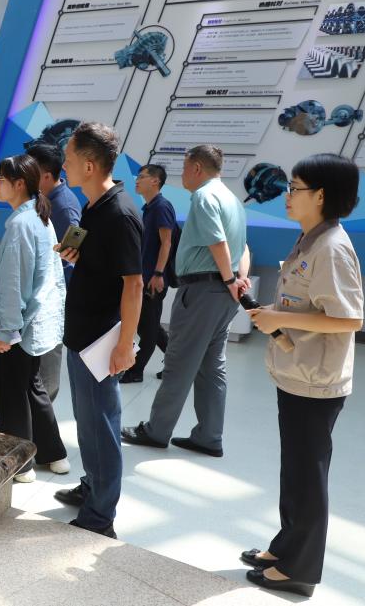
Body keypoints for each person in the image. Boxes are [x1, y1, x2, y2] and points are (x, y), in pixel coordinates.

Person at [241, 154, 363, 598]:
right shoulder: (310, 239)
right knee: (294, 470)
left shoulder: (331, 248)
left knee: (307, 476)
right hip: (297, 372)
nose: (287, 196)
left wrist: (278, 317)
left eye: (295, 188)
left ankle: (301, 569)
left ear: (321, 195)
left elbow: (349, 319)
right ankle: (285, 548)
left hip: (316, 380)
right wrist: (274, 315)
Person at [122, 145, 250, 458]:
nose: (182, 175)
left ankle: (156, 430)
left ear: (196, 168)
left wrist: (230, 280)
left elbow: (217, 241)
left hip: (204, 291)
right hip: (222, 295)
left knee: (178, 363)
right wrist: (237, 279)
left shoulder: (205, 197)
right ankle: (209, 436)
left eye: (184, 168)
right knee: (212, 367)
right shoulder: (232, 199)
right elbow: (243, 247)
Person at [54, 122, 142, 539]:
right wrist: (77, 256)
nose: (64, 166)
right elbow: (99, 261)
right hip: (82, 332)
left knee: (102, 425)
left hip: (101, 341)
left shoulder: (120, 213)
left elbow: (133, 284)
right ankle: (92, 485)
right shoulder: (94, 205)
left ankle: (100, 516)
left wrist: (125, 345)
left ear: (89, 166)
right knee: (87, 422)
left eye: (69, 160)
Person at [0, 154, 69, 483]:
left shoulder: (19, 224)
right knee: (32, 385)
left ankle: (22, 464)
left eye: (1, 179)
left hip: (20, 323)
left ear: (19, 184)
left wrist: (8, 331)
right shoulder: (40, 218)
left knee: (12, 393)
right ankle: (54, 454)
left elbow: (13, 285)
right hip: (38, 319)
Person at [26, 142, 81, 402]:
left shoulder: (65, 207)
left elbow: (70, 259)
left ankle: (42, 412)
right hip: (38, 292)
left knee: (48, 357)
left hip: (52, 297)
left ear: (46, 175)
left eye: (31, 170)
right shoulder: (44, 200)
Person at [122, 163, 177, 383]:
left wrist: (158, 274)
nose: (137, 180)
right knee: (149, 325)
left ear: (155, 181)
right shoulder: (149, 208)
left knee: (148, 329)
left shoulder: (161, 207)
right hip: (145, 276)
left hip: (154, 278)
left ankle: (136, 371)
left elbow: (167, 242)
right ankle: (176, 363)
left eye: (142, 177)